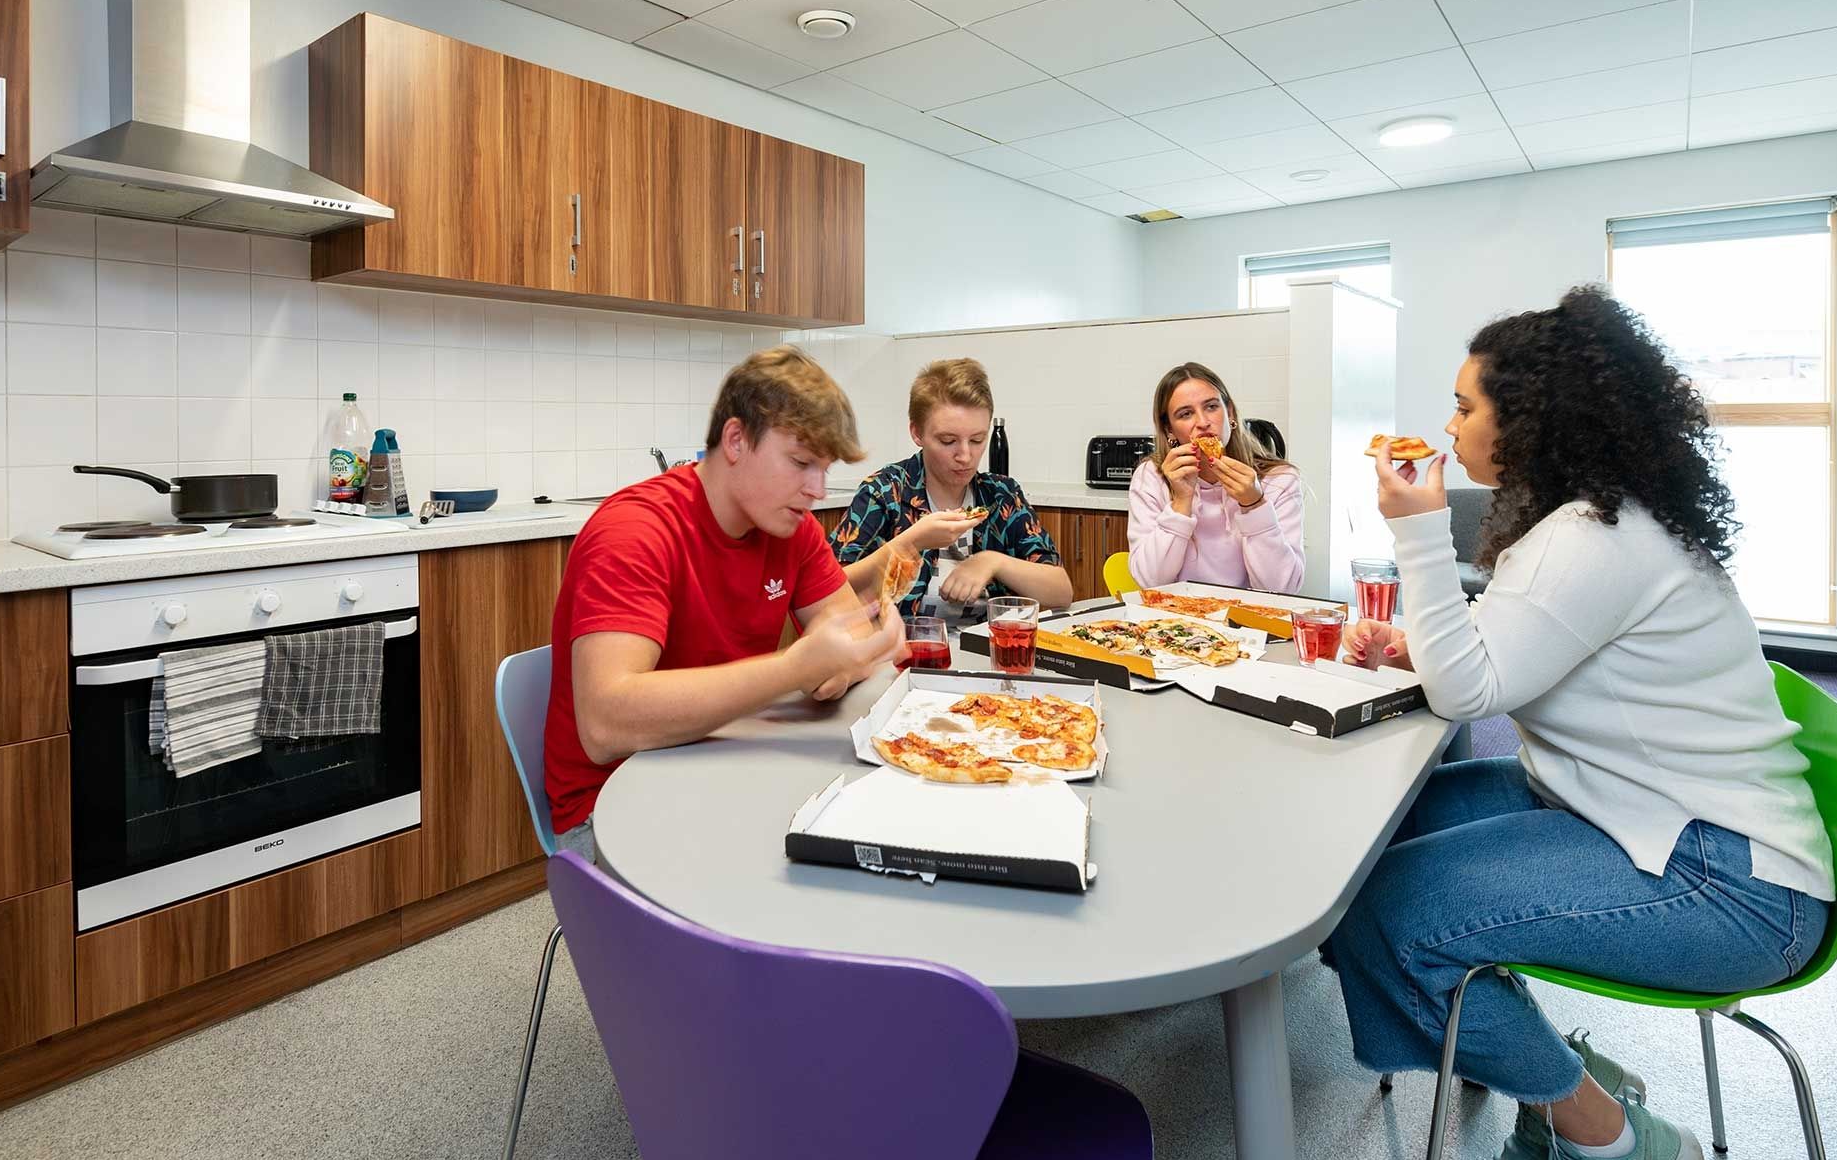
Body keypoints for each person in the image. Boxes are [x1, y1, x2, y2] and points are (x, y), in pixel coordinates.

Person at [1325, 287, 1834, 1160]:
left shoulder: (1596, 534)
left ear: (1528, 422)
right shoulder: (1596, 519)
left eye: (1466, 405)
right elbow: (1513, 641)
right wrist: (1418, 638)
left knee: (1384, 911)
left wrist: (1414, 529)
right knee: (1366, 848)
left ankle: (1607, 1136)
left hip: (1730, 883)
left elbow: (1469, 690)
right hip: (1637, 817)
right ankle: (1558, 1078)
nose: (1449, 422)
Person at [543, 347, 906, 862]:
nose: (816, 491)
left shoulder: (790, 527)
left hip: (728, 763)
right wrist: (793, 668)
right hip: (610, 806)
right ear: (736, 440)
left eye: (823, 469)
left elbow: (847, 638)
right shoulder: (635, 532)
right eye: (801, 463)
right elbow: (604, 727)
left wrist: (845, 662)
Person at [832, 358, 1072, 622]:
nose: (966, 455)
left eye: (978, 440)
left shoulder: (1001, 495)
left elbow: (1061, 592)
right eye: (948, 441)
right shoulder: (885, 493)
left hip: (989, 654)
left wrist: (992, 562)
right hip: (904, 654)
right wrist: (911, 542)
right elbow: (828, 590)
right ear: (917, 433)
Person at [1126, 362, 1304, 591]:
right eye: (1186, 414)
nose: (1202, 422)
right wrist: (1181, 501)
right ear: (1169, 430)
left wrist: (1254, 505)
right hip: (1176, 618)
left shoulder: (1279, 479)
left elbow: (1283, 589)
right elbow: (1149, 582)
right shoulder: (1152, 477)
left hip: (1249, 619)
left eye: (1211, 407)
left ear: (1229, 413)